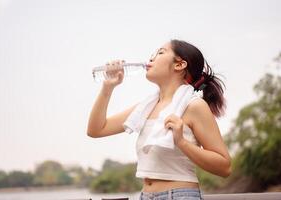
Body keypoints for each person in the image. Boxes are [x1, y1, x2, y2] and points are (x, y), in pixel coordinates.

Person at [87, 39, 231, 200]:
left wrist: (182, 142)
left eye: (160, 53)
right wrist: (108, 87)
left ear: (179, 65)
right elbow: (96, 130)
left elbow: (224, 167)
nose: (151, 59)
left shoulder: (194, 106)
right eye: (152, 55)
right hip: (145, 196)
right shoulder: (145, 108)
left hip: (180, 196)